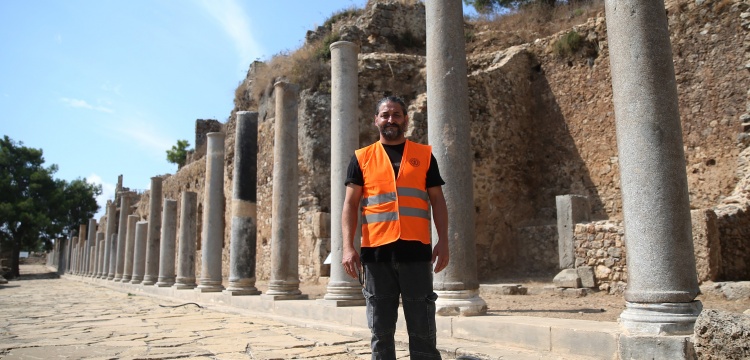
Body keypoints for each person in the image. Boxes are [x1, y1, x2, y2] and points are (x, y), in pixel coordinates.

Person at [342, 96, 449, 360]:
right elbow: (349, 205)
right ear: (375, 120)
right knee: (381, 331)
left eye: (397, 115)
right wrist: (347, 247)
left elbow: (437, 200)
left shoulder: (424, 155)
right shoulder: (361, 158)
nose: (391, 120)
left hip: (416, 253)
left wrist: (443, 241)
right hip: (377, 256)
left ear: (406, 119)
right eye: (385, 115)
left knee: (423, 329)